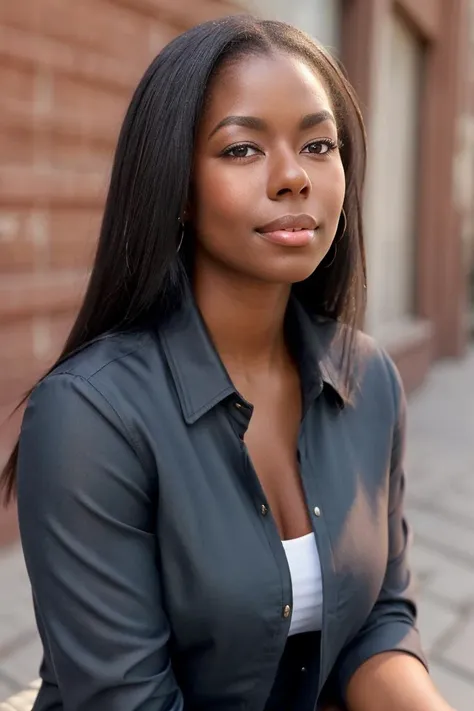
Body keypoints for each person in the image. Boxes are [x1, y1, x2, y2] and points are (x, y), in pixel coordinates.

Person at [0, 15, 455, 711]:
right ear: (176, 184)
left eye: (318, 143)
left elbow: (379, 619)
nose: (293, 176)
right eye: (242, 150)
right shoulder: (89, 417)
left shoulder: (369, 380)